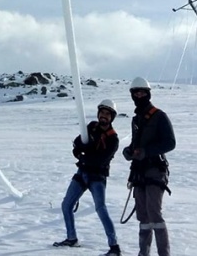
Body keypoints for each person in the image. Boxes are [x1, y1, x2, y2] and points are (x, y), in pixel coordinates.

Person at [53, 99, 121, 256]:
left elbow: (100, 160)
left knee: (101, 209)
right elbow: (77, 142)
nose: (103, 116)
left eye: (107, 114)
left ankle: (114, 247)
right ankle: (71, 238)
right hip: (81, 174)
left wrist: (83, 154)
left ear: (112, 117)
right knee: (66, 205)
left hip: (97, 177)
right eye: (102, 113)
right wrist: (80, 151)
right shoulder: (91, 126)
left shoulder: (113, 139)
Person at [123, 77, 176, 256]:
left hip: (155, 170)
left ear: (148, 93)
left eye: (142, 92)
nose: (139, 95)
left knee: (154, 215)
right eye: (136, 92)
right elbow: (136, 143)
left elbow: (170, 143)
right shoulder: (136, 119)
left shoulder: (159, 116)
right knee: (143, 217)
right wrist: (129, 151)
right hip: (139, 172)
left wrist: (146, 151)